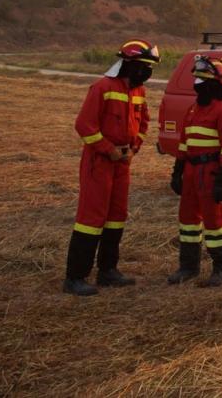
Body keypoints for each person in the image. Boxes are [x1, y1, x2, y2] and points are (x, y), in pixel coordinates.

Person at [63, 39, 159, 296]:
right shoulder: (102, 87)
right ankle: (75, 277)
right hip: (100, 162)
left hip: (122, 162)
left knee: (117, 216)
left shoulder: (139, 91)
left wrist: (133, 148)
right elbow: (84, 126)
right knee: (91, 218)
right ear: (130, 64)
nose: (148, 73)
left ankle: (108, 271)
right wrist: (109, 150)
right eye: (145, 66)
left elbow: (144, 123)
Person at [167, 55, 222, 287]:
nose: (197, 84)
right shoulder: (192, 109)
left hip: (209, 172)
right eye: (196, 79)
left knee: (214, 221)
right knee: (187, 221)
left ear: (215, 84)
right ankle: (188, 266)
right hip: (190, 170)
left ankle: (221, 268)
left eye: (202, 80)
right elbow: (184, 142)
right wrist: (177, 171)